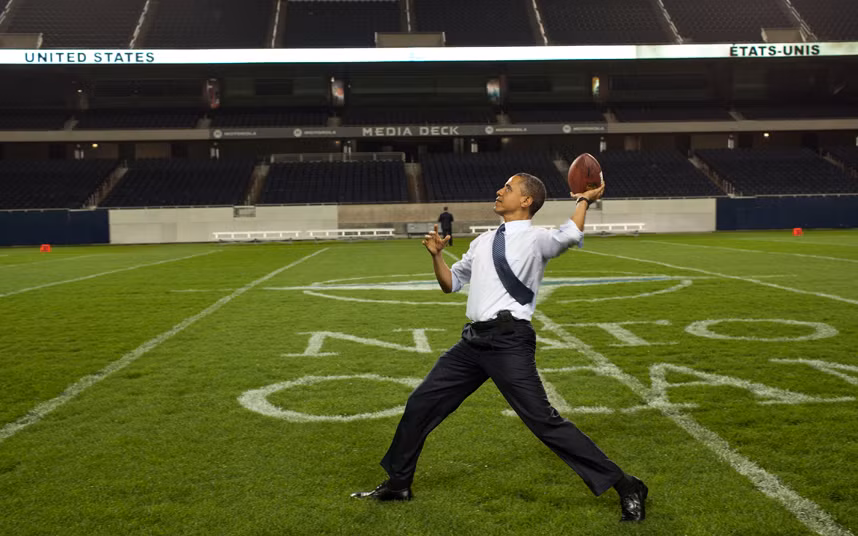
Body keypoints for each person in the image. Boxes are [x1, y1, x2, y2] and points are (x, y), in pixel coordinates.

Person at [351, 173, 648, 522]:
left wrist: (584, 200)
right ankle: (398, 483)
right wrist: (436, 256)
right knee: (421, 404)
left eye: (507, 188)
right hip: (472, 342)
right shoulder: (482, 241)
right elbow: (451, 284)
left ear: (526, 201)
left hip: (509, 341)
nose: (498, 191)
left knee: (543, 422)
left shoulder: (538, 239)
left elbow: (571, 233)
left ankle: (627, 485)